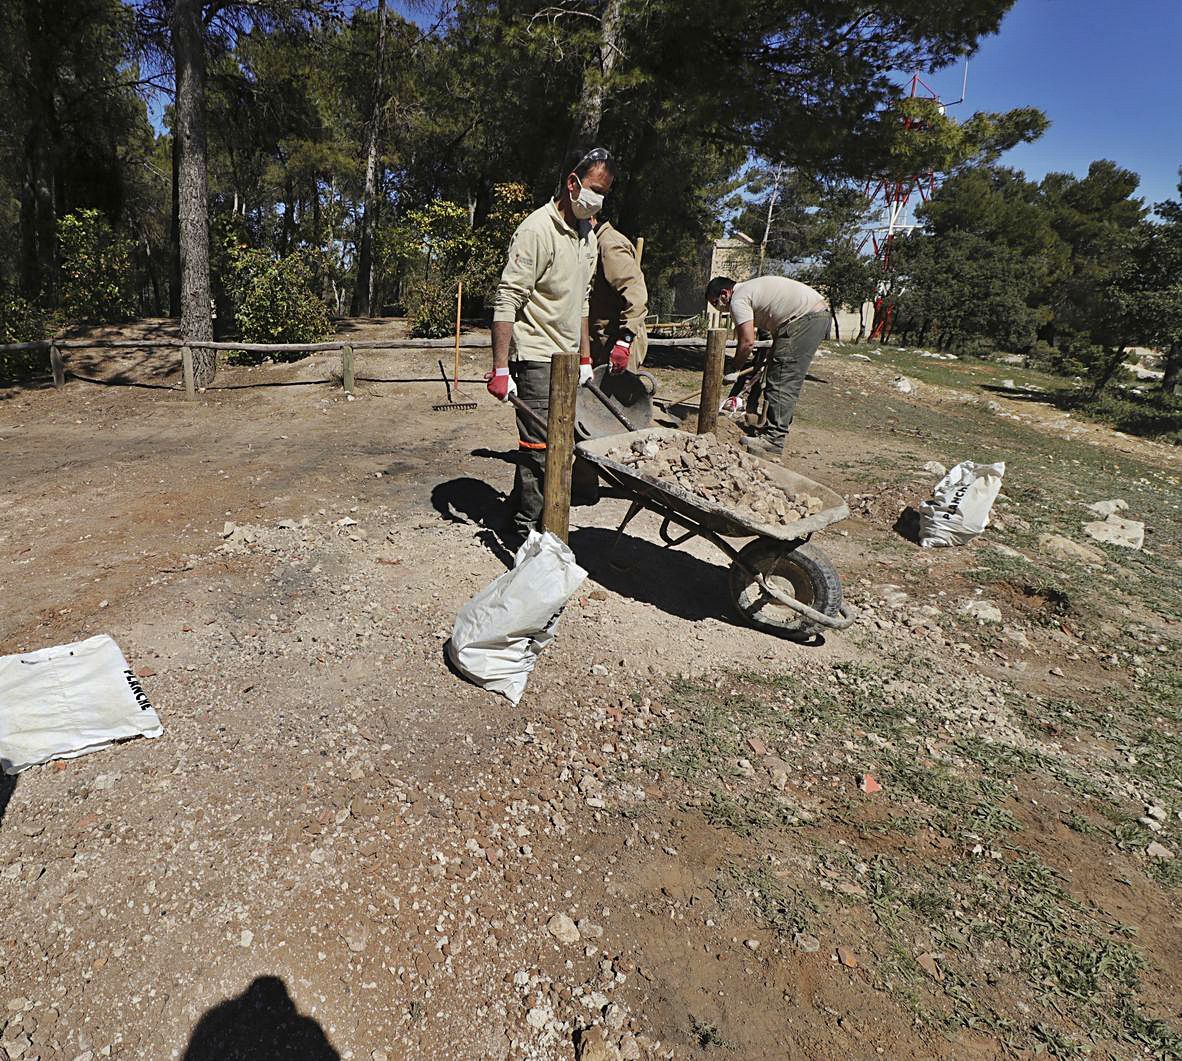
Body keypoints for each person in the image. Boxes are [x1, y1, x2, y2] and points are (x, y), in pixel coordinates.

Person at [487, 147, 617, 541]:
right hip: (537, 357)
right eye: (593, 189)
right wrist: (499, 368)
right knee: (540, 449)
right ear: (572, 183)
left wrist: (585, 357)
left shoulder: (587, 235)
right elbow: (507, 299)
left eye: (604, 194)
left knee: (564, 447)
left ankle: (521, 514)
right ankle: (527, 534)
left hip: (568, 362)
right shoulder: (536, 230)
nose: (597, 200)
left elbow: (582, 301)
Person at [705, 274, 829, 459]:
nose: (718, 308)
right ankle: (776, 429)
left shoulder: (738, 299)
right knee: (781, 375)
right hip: (810, 318)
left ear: (725, 293)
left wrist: (734, 368)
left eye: (716, 302)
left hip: (804, 320)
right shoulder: (750, 290)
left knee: (782, 380)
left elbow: (747, 342)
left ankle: (774, 440)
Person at [588, 216, 648, 373]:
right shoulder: (594, 244)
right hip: (602, 341)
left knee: (616, 396)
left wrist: (624, 341)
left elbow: (635, 296)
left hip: (618, 343)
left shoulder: (610, 245)